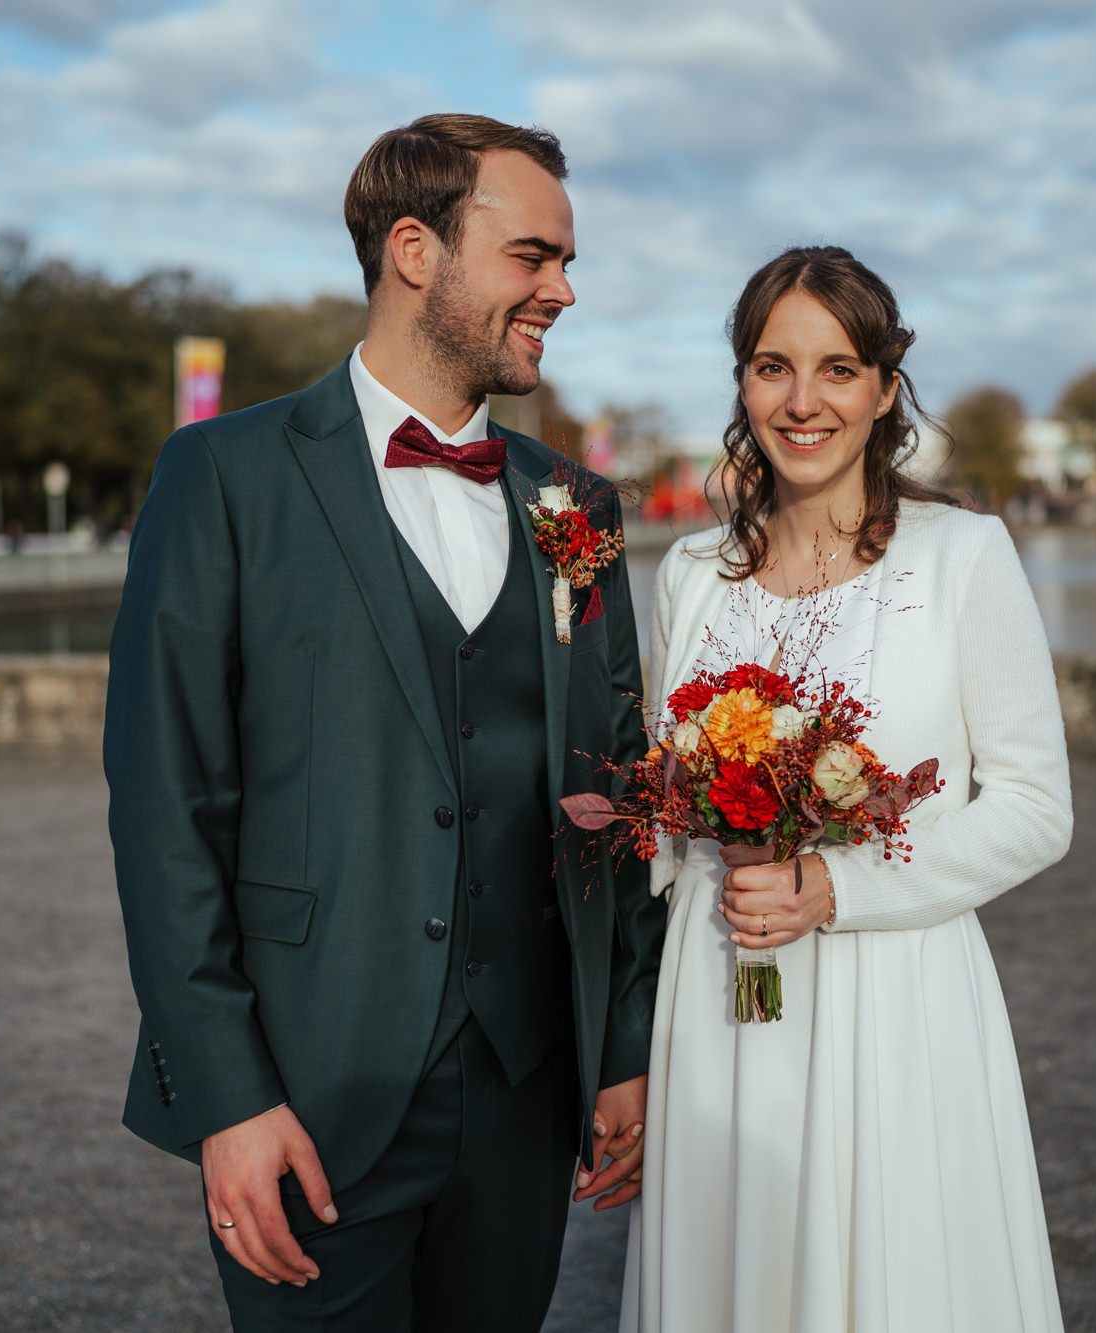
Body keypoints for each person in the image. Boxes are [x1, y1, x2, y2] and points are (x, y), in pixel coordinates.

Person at [104, 113, 663, 1331]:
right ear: (414, 248)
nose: (562, 290)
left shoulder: (576, 506)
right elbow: (166, 814)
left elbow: (613, 795)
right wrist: (225, 1098)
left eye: (565, 262)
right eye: (532, 256)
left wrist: (620, 1045)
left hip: (523, 1096)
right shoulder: (223, 479)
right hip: (304, 1096)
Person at [623, 246, 1072, 1332]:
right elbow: (659, 826)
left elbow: (1032, 807)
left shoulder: (962, 556)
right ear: (740, 384)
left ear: (882, 386)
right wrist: (624, 1049)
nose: (802, 399)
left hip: (897, 1001)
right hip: (716, 996)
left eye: (835, 368)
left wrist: (832, 885)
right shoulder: (687, 576)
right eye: (772, 367)